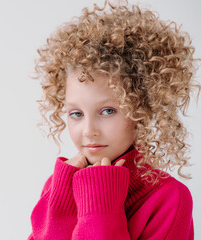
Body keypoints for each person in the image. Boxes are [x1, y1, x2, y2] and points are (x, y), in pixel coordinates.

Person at [27, 0, 200, 239]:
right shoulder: (58, 186)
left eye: (107, 111)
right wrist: (61, 203)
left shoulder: (168, 199)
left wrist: (100, 203)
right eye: (76, 114)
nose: (89, 131)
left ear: (142, 108)